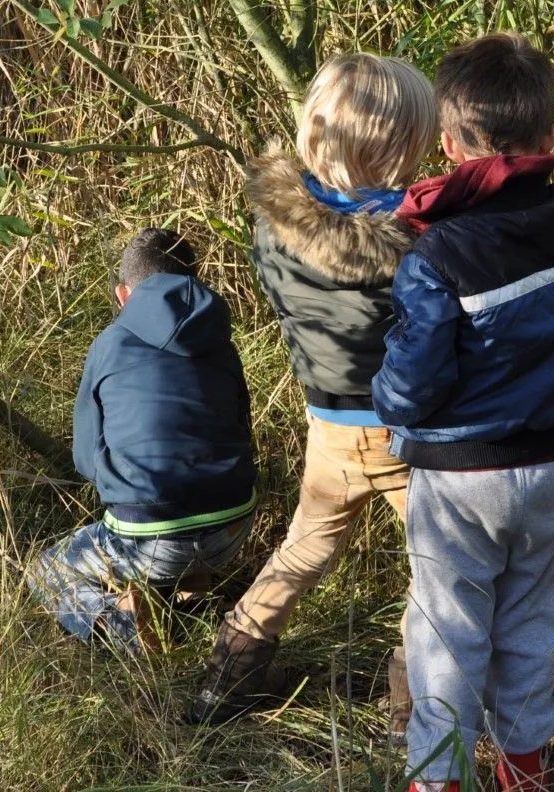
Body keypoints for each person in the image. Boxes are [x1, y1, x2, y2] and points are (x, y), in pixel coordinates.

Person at [372, 34, 554, 791]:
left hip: (459, 480)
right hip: (549, 469)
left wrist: (386, 409)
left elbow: (415, 379)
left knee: (446, 636)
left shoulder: (440, 253)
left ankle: (438, 780)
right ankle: (524, 772)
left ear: (450, 142)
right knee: (529, 624)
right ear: (551, 138)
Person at [189, 53, 438, 729]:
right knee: (439, 564)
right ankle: (410, 707)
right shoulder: (413, 242)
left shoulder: (276, 222)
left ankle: (226, 679)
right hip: (400, 431)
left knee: (307, 545)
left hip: (327, 420)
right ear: (392, 147)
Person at [27, 228, 258, 652]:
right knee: (183, 531)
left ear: (122, 294)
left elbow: (86, 458)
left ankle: (127, 631)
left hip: (150, 536)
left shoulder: (110, 344)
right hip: (234, 526)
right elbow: (243, 427)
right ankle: (190, 598)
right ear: (195, 280)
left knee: (47, 570)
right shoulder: (221, 341)